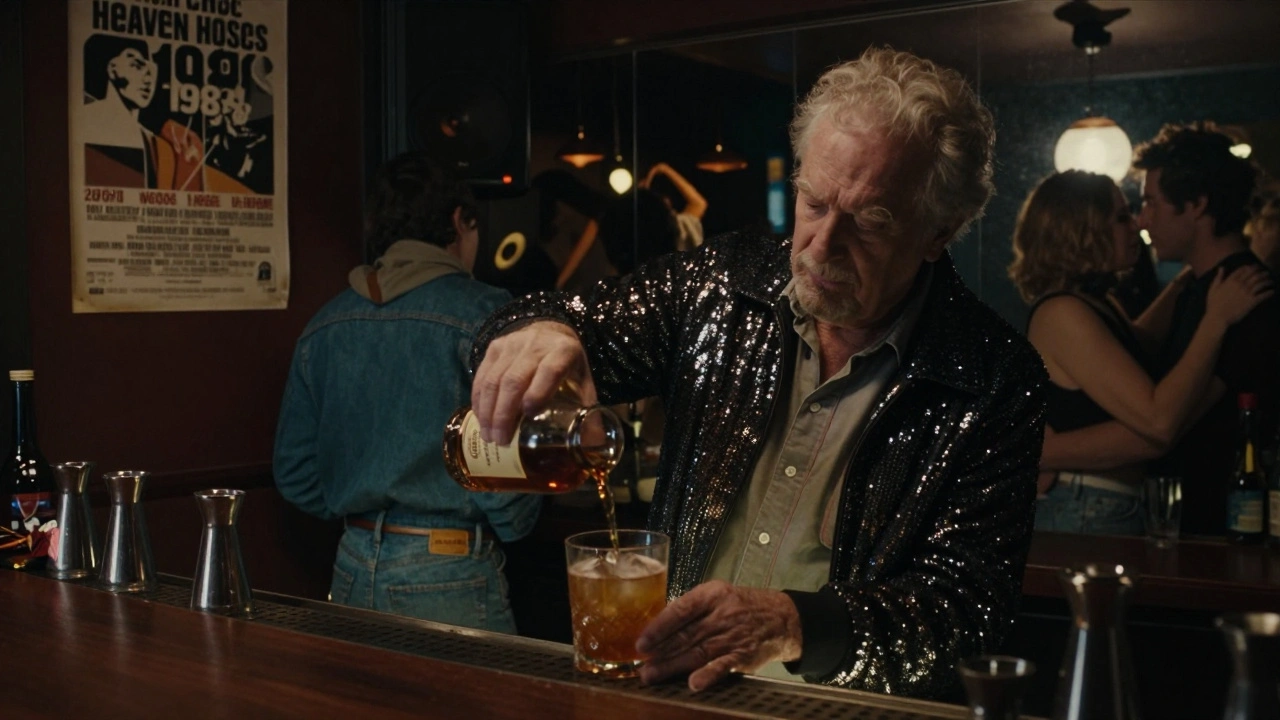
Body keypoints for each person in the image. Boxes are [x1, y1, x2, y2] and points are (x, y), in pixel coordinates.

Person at [468, 47, 1048, 698]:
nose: (823, 247)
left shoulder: (993, 374)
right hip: (680, 695)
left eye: (871, 222)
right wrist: (544, 330)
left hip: (838, 711)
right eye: (814, 203)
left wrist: (795, 624)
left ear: (939, 232)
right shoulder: (722, 282)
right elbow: (574, 317)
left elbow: (966, 613)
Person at [273, 152, 541, 633]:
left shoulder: (325, 323)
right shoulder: (486, 313)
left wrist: (364, 509)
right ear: (461, 221)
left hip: (351, 564)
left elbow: (294, 474)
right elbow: (504, 478)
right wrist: (517, 519)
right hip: (450, 570)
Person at [1042, 122, 1280, 536]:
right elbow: (1137, 348)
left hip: (1222, 529)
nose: (1142, 220)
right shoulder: (1198, 291)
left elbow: (1165, 423)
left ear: (1196, 205)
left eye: (1150, 203)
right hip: (1187, 523)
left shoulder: (1240, 296)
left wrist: (1040, 450)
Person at [81, 35, 205, 191]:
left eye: (152, 71)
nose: (148, 80)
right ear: (112, 69)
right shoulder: (88, 119)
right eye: (137, 66)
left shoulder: (152, 142)